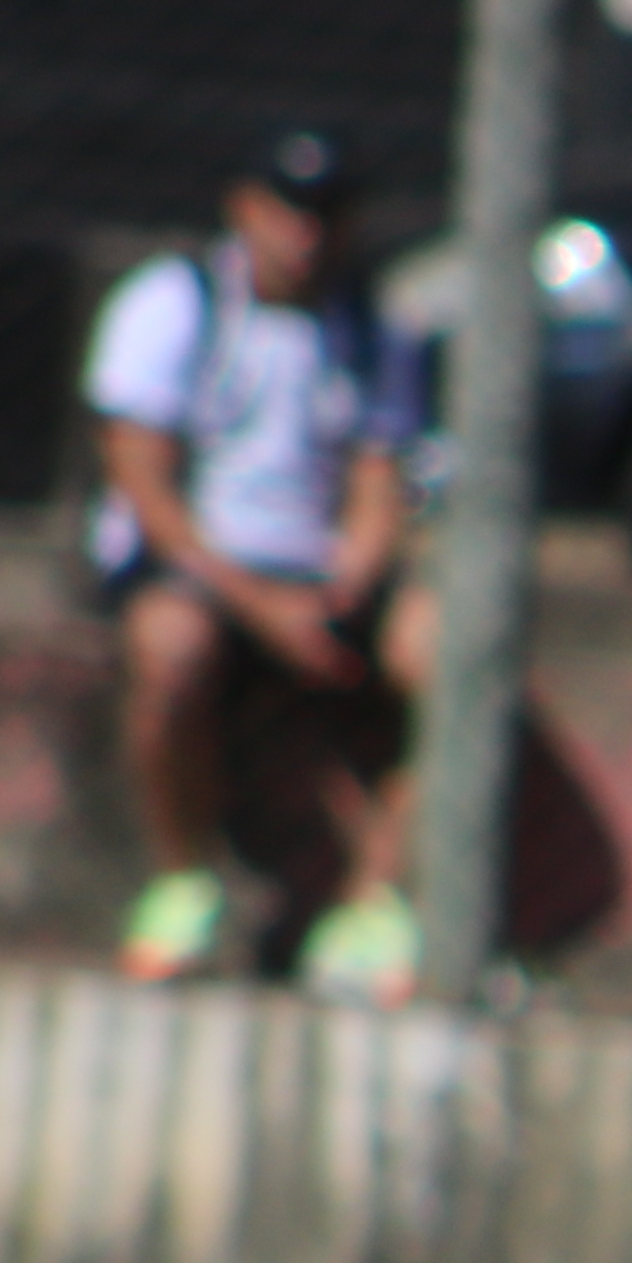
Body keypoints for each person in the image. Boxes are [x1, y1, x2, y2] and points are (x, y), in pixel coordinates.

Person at [84, 129, 434, 996]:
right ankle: (181, 886)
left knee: (446, 653)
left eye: (329, 215)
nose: (308, 235)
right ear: (244, 208)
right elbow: (145, 489)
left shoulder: (373, 328)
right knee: (173, 650)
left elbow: (378, 483)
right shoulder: (172, 304)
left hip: (311, 580)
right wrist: (260, 609)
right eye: (290, 210)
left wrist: (348, 584)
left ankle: (371, 909)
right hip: (201, 571)